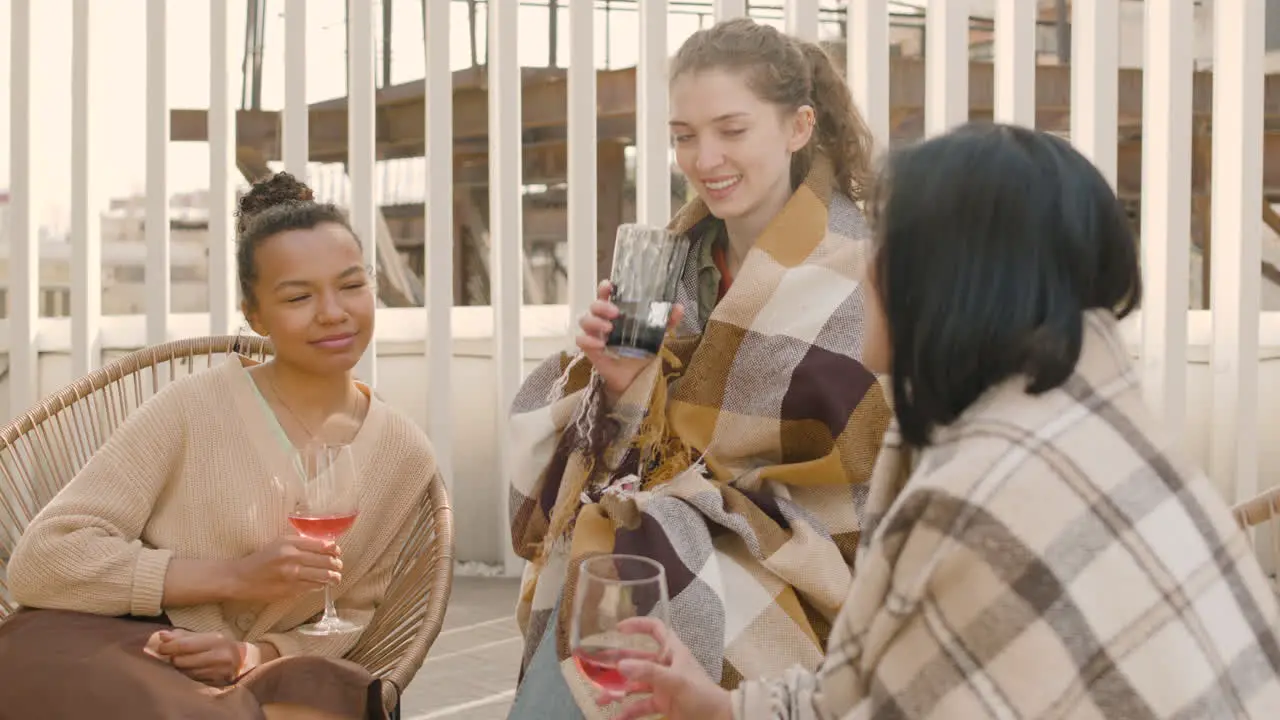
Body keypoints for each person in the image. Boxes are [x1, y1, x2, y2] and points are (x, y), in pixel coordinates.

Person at [600, 122, 1280, 719]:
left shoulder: (988, 492)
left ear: (951, 278)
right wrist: (718, 707)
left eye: (886, 243)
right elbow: (880, 688)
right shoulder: (1082, 426)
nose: (863, 266)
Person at [506, 17, 892, 718]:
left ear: (799, 127)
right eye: (684, 134)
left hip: (801, 570)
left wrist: (705, 508)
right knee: (614, 567)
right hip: (655, 542)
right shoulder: (665, 265)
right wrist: (620, 383)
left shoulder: (860, 274)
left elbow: (875, 476)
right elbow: (615, 460)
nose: (704, 156)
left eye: (731, 129)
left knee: (620, 575)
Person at [0, 172, 439, 719]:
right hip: (129, 644)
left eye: (351, 286)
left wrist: (253, 653)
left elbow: (354, 611)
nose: (332, 312)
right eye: (299, 296)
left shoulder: (404, 453)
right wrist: (233, 577)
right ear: (254, 315)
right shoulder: (191, 407)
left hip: (261, 672)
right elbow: (41, 561)